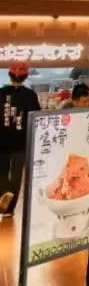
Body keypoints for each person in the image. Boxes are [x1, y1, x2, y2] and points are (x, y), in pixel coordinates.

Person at [0, 62, 40, 215]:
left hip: (1, 141)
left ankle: (4, 194)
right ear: (26, 76)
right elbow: (36, 119)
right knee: (16, 175)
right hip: (22, 143)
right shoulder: (30, 95)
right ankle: (9, 209)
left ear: (9, 74)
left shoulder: (1, 93)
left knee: (2, 173)